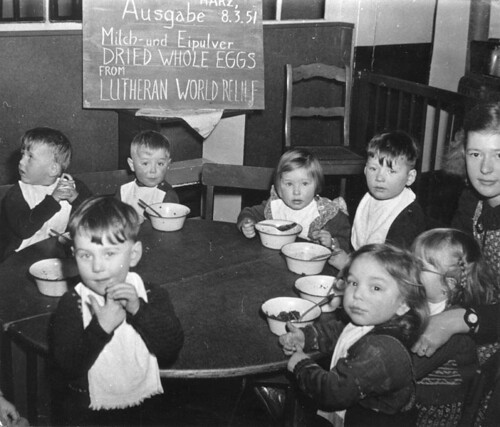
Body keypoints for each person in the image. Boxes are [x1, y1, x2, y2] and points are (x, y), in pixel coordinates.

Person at [49, 196, 184, 426]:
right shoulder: (72, 302)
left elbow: (171, 348)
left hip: (144, 409)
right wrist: (100, 328)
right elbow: (66, 367)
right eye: (85, 255)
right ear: (73, 254)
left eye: (109, 254)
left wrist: (138, 309)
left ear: (133, 255)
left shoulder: (150, 294)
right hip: (88, 413)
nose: (97, 267)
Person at [279, 243, 428, 426]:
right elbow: (340, 332)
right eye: (354, 282)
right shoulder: (371, 321)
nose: (357, 294)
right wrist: (307, 337)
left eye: (375, 288)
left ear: (403, 304)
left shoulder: (382, 350)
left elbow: (334, 392)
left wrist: (301, 366)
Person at [413, 102, 500, 357]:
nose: (485, 168)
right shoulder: (470, 200)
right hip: (467, 313)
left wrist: (454, 321)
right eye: (475, 154)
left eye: (499, 155)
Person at [411, 228, 499, 426]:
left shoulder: (452, 330)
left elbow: (410, 368)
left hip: (434, 412)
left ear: (449, 283)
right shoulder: (422, 299)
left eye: (418, 267)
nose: (408, 270)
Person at [0, 127, 91, 261]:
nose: (21, 162)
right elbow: (24, 229)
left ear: (53, 169)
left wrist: (75, 198)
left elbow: (95, 214)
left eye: (30, 157)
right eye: (22, 154)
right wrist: (53, 200)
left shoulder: (71, 186)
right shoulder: (16, 193)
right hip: (20, 258)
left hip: (59, 256)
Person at [236, 148, 351, 251]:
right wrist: (246, 223)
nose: (296, 192)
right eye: (289, 184)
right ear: (279, 188)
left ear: (317, 186)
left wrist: (332, 243)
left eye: (305, 183)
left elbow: (348, 242)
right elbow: (249, 213)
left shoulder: (326, 213)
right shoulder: (276, 206)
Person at [119, 130, 179, 222]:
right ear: (132, 165)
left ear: (167, 164)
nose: (153, 170)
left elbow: (169, 227)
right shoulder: (124, 190)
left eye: (160, 164)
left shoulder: (167, 196)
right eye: (145, 163)